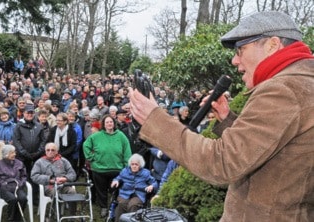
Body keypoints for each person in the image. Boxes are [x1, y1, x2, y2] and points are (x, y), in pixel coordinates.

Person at [129, 11, 314, 221]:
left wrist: (155, 119)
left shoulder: (283, 90)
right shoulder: (302, 83)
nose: (235, 60)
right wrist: (227, 120)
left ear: (272, 45)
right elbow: (274, 155)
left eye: (240, 49)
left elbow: (223, 163)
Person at [83, 115, 131, 218]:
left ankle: (114, 209)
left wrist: (126, 165)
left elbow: (127, 151)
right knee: (101, 190)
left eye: (111, 122)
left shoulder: (121, 135)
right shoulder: (96, 136)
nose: (109, 124)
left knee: (115, 191)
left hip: (117, 169)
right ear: (103, 125)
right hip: (99, 169)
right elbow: (86, 145)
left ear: (114, 123)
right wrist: (91, 157)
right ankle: (104, 207)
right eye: (107, 122)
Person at [30, 142, 77, 218]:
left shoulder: (63, 160)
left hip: (63, 185)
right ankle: (56, 214)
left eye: (52, 150)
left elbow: (73, 174)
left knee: (72, 191)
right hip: (49, 187)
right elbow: (34, 176)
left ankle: (72, 216)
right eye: (48, 150)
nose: (50, 152)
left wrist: (65, 178)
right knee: (55, 193)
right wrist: (49, 180)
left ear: (57, 151)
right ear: (45, 151)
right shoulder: (39, 162)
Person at [111, 154, 158, 222]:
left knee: (133, 205)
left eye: (136, 164)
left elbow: (155, 183)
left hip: (139, 195)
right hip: (125, 193)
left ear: (140, 165)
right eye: (132, 164)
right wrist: (116, 181)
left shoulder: (145, 173)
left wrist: (152, 186)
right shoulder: (125, 171)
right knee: (121, 205)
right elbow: (118, 178)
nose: (134, 166)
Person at [0, 145, 27, 222]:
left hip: (17, 187)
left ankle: (17, 218)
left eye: (14, 152)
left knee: (23, 198)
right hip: (4, 188)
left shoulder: (19, 163)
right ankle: (11, 219)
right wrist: (2, 184)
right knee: (12, 199)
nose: (15, 154)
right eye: (12, 153)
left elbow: (24, 176)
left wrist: (21, 183)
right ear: (6, 154)